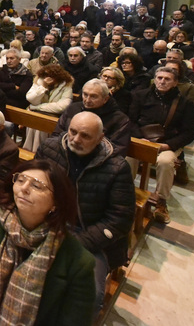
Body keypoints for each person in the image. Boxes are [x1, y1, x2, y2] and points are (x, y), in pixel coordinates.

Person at [0, 159, 96, 326]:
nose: (24, 189)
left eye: (36, 186)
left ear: (56, 203)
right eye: (20, 180)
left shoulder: (79, 262)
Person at [36, 112, 135, 315]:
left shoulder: (116, 167)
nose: (75, 139)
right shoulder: (50, 149)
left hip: (91, 236)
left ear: (100, 137)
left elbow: (120, 219)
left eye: (85, 136)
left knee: (89, 296)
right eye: (72, 132)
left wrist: (77, 242)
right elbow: (35, 183)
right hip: (49, 221)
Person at [128, 67, 194, 223]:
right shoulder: (140, 96)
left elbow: (189, 132)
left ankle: (161, 200)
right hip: (142, 139)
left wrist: (167, 146)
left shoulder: (184, 103)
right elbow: (130, 120)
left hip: (167, 143)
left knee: (165, 162)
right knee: (127, 157)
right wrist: (140, 138)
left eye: (167, 79)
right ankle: (125, 192)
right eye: (159, 78)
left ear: (175, 82)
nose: (162, 81)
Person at [54, 78, 131, 156]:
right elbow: (57, 135)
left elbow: (116, 151)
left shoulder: (120, 120)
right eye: (85, 94)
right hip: (65, 155)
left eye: (93, 96)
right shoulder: (73, 109)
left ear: (105, 99)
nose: (87, 100)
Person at [23, 64, 74, 152]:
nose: (48, 78)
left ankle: (40, 151)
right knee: (33, 121)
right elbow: (31, 99)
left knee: (42, 123)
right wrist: (43, 87)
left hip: (53, 116)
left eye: (51, 76)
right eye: (46, 75)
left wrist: (37, 107)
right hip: (36, 113)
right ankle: (28, 150)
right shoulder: (39, 82)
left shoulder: (66, 86)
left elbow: (62, 107)